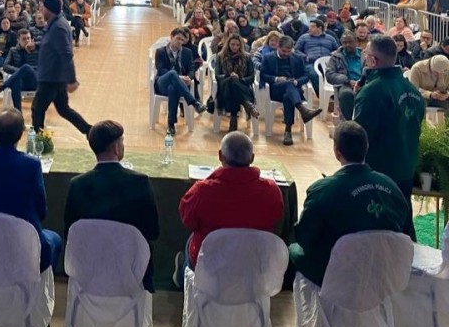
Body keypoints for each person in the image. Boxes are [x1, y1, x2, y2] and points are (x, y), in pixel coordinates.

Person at [288, 121, 409, 286]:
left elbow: (305, 238)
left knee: (293, 249)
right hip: (384, 276)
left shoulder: (322, 191)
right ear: (366, 147)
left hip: (336, 279)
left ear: (337, 152)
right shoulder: (393, 188)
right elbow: (405, 231)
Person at [173, 132, 283, 286]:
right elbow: (276, 219)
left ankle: (182, 278)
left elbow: (188, 222)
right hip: (253, 266)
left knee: (190, 241)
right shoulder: (271, 191)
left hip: (210, 268)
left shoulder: (202, 191)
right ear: (252, 158)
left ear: (220, 156)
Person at [64, 120, 159, 291]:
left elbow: (70, 232)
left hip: (89, 274)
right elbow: (153, 232)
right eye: (122, 141)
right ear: (116, 148)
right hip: (131, 276)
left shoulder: (77, 185)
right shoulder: (140, 182)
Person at [0, 109, 62, 272]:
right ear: (20, 135)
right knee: (55, 239)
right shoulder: (31, 165)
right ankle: (37, 284)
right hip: (23, 247)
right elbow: (42, 211)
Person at [353, 36, 425, 241]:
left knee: (379, 228)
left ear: (372, 61)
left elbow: (358, 136)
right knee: (403, 222)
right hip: (407, 166)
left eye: (366, 54)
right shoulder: (413, 90)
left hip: (378, 170)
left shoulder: (372, 91)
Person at [31, 0, 92, 136]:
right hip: (55, 76)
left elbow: (66, 54)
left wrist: (72, 80)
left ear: (49, 9)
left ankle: (38, 141)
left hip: (51, 77)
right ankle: (90, 131)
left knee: (37, 109)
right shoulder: (56, 23)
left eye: (43, 8)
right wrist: (36, 45)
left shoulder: (58, 27)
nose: (41, 11)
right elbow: (51, 44)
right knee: (64, 110)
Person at [259, 36, 322, 146]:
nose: (286, 54)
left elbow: (306, 76)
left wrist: (297, 82)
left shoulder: (297, 58)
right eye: (283, 51)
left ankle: (288, 131)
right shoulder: (268, 58)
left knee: (288, 95)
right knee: (288, 85)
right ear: (278, 47)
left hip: (294, 90)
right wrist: (276, 79)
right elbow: (263, 75)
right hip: (276, 90)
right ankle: (302, 110)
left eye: (289, 51)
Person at [154, 28, 207, 135]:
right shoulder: (160, 52)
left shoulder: (187, 52)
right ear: (171, 37)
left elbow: (192, 69)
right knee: (172, 74)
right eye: (178, 38)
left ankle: (171, 125)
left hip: (180, 86)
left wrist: (189, 77)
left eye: (182, 40)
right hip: (162, 82)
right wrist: (179, 77)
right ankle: (194, 102)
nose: (180, 42)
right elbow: (161, 70)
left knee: (173, 89)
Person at [0, 28, 39, 111]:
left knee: (26, 67)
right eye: (24, 39)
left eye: (28, 38)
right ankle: (18, 114)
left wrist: (25, 71)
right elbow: (5, 66)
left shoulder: (36, 51)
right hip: (21, 82)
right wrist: (20, 72)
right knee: (15, 82)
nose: (27, 41)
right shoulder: (13, 50)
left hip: (35, 81)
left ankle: (0, 89)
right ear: (18, 40)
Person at [214, 34, 259, 131]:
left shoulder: (247, 57)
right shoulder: (221, 56)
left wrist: (240, 79)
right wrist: (229, 76)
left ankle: (233, 119)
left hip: (242, 86)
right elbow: (217, 76)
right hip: (225, 87)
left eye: (238, 45)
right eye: (232, 44)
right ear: (228, 44)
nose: (235, 47)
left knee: (234, 86)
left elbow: (251, 77)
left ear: (241, 46)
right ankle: (248, 104)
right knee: (232, 82)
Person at [325, 32, 366, 120]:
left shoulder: (364, 55)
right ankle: (348, 123)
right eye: (344, 42)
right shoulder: (335, 57)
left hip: (363, 84)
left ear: (356, 41)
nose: (347, 45)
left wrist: (362, 82)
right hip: (345, 85)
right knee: (346, 94)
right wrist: (347, 80)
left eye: (350, 42)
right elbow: (329, 75)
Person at [294, 19, 339, 95]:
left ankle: (334, 94)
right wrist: (305, 56)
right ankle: (322, 96)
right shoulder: (304, 37)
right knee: (314, 74)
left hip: (327, 63)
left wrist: (334, 53)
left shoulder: (330, 38)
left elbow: (337, 49)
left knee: (337, 74)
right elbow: (296, 50)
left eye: (312, 27)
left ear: (320, 28)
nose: (309, 28)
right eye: (309, 27)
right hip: (311, 63)